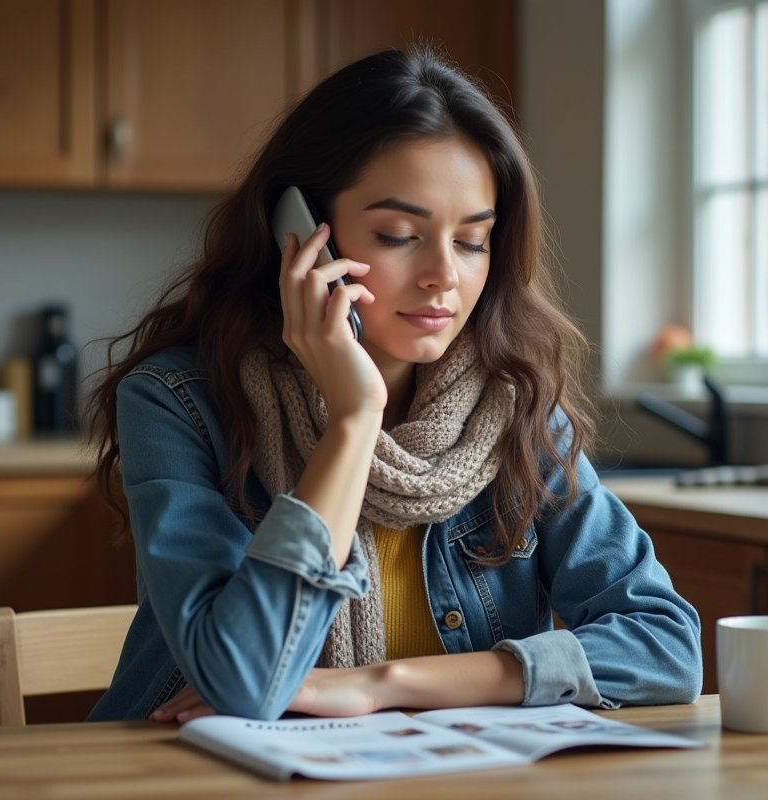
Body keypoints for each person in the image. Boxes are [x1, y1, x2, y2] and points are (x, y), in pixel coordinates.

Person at [86, 48, 701, 724]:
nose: (444, 274)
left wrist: (384, 683)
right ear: (299, 235)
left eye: (472, 241)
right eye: (398, 234)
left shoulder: (514, 411)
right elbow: (244, 682)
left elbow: (666, 646)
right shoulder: (179, 402)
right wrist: (354, 417)